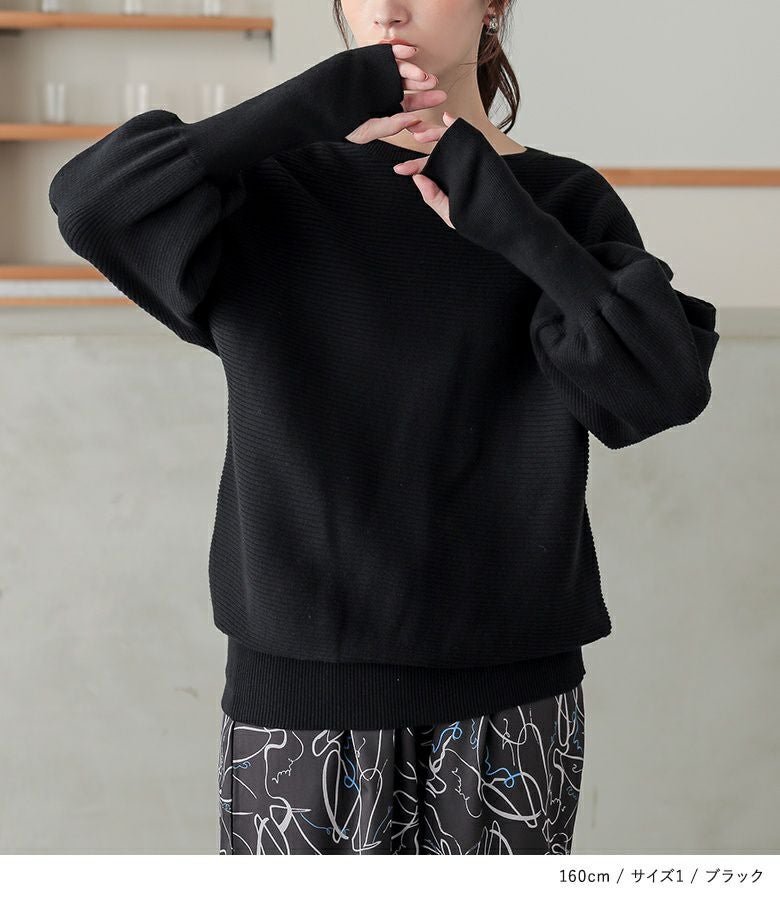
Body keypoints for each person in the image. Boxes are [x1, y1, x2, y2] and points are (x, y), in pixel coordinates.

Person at [48, 0, 719, 855]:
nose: (388, 8)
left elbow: (661, 388)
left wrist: (513, 222)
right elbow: (90, 200)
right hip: (298, 702)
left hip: (509, 704)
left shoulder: (563, 201)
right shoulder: (268, 190)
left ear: (493, 7)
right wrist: (304, 105)